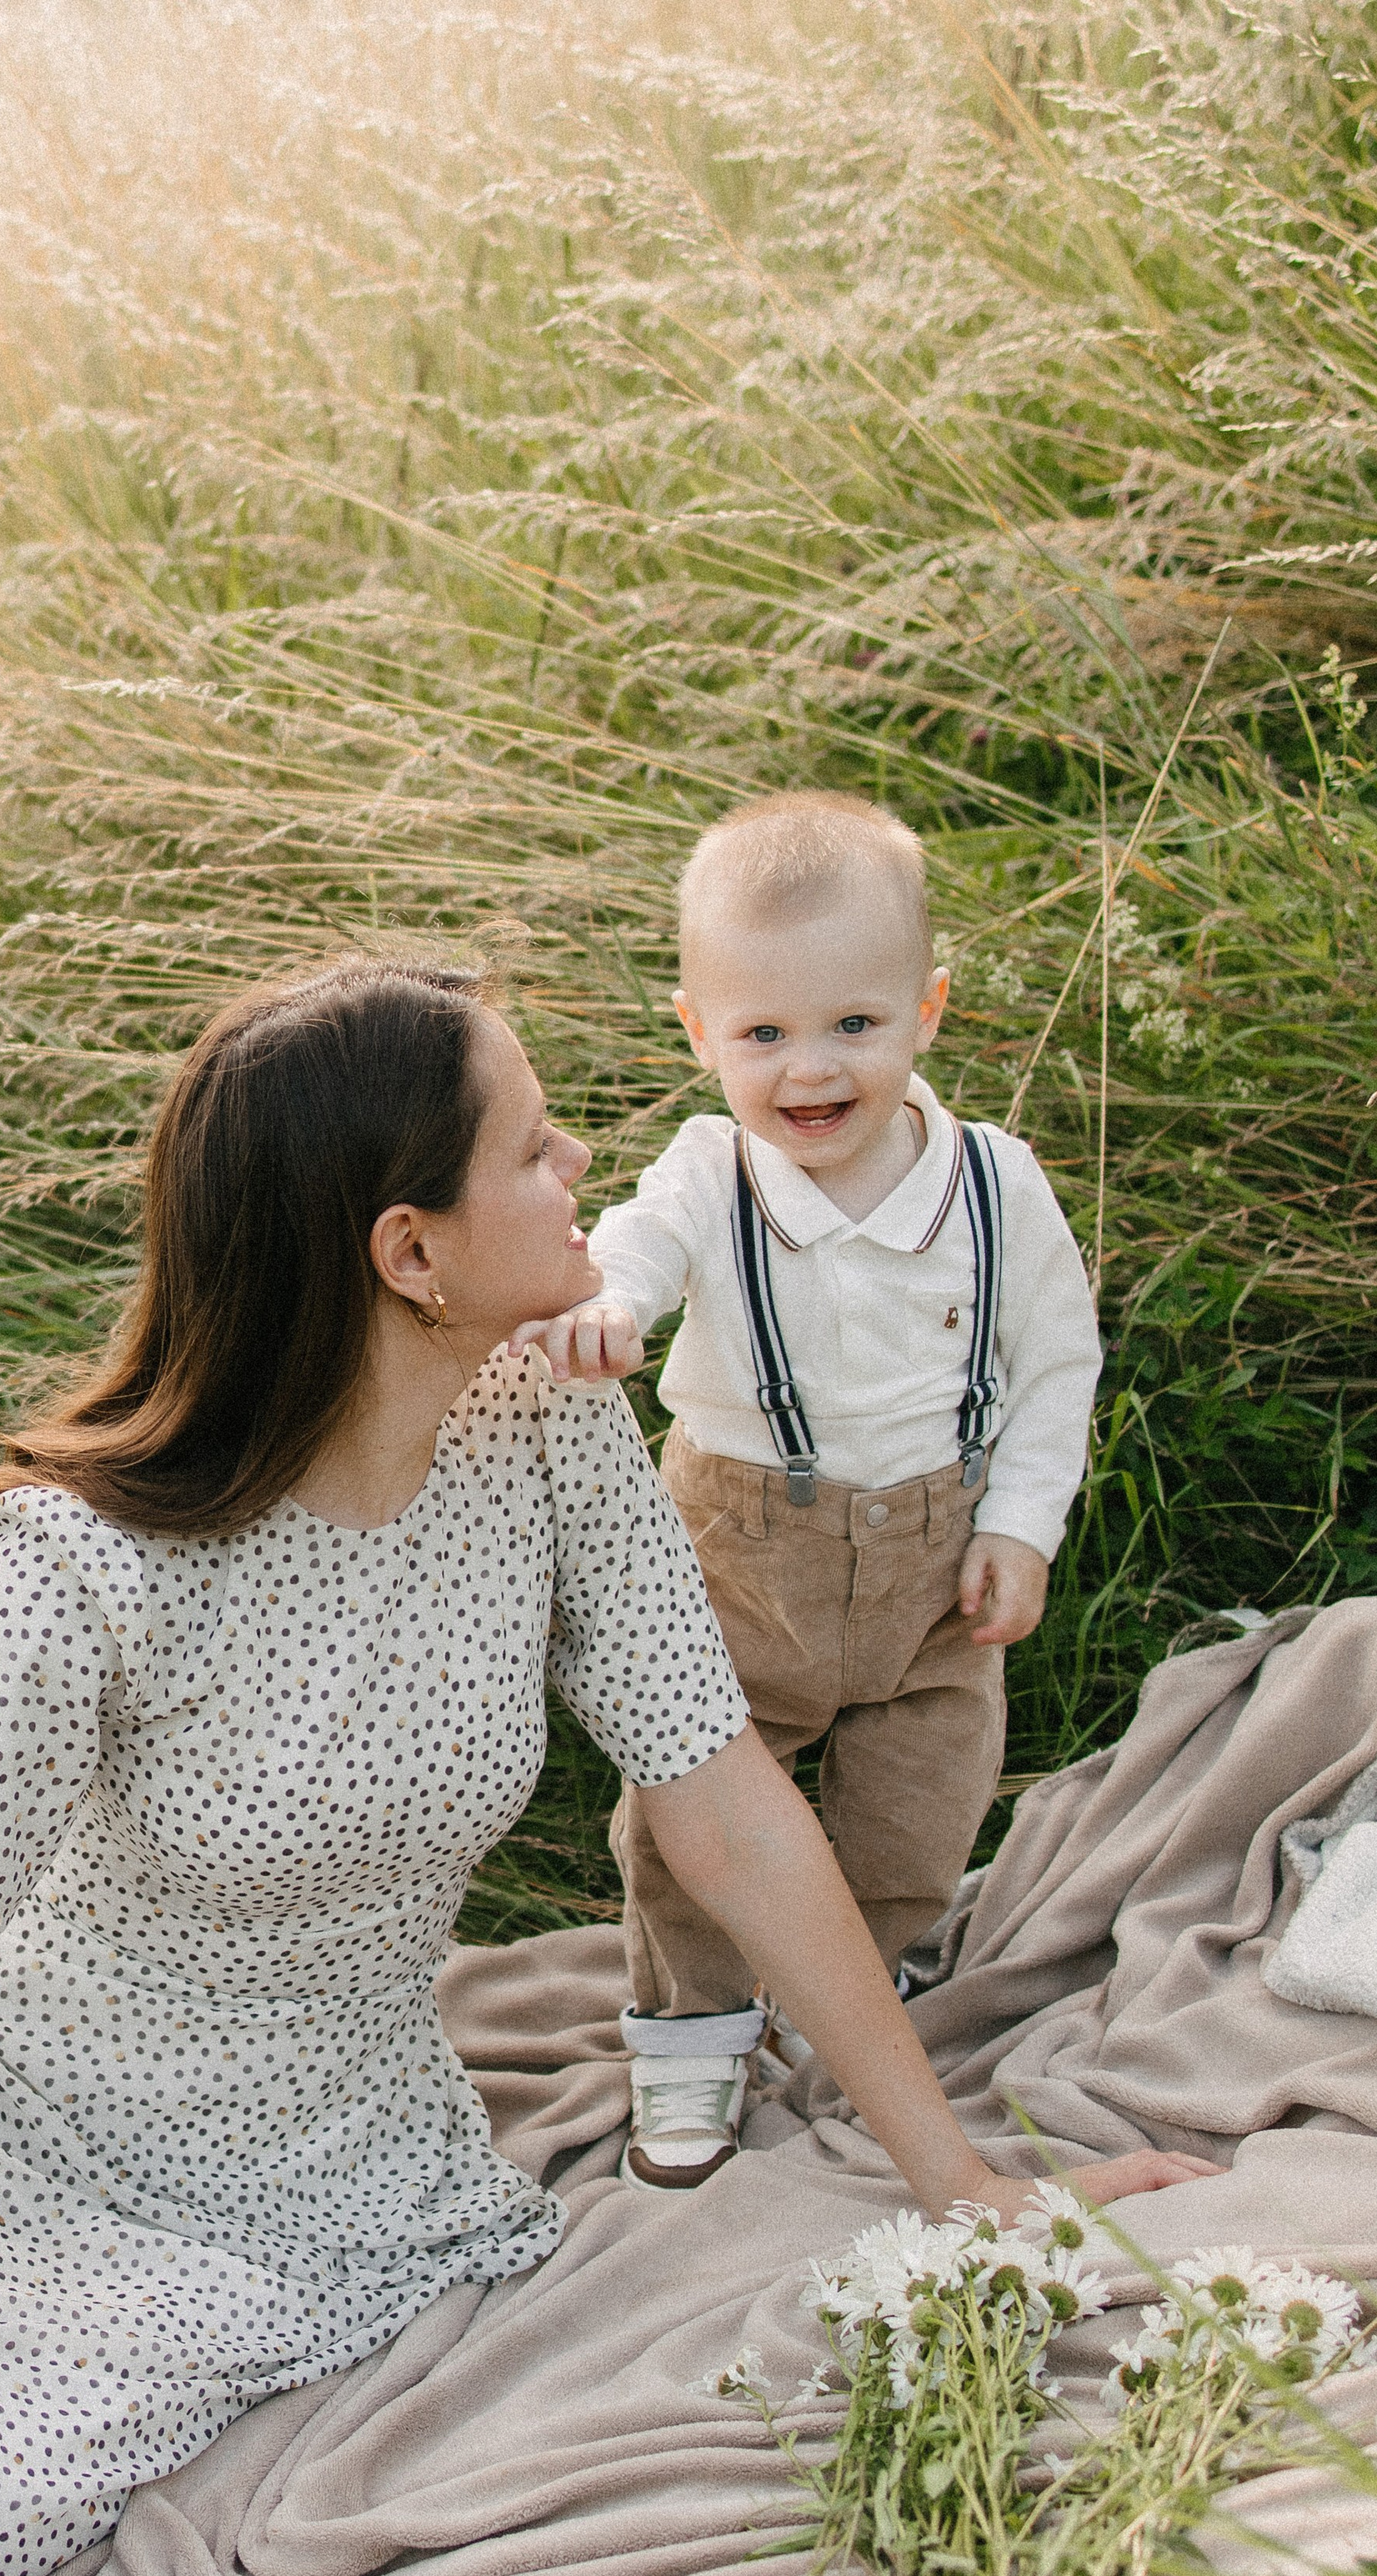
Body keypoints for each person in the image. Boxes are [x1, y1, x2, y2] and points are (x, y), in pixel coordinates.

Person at [0, 959, 1208, 2576]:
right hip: (4, 2131)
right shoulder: (90, 1567)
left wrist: (959, 2180)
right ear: (409, 1251)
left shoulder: (545, 1423)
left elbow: (723, 1801)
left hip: (332, 2192)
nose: (580, 1159)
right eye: (530, 1147)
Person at [518, 794, 1102, 2194]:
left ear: (927, 1009)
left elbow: (1057, 1361)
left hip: (935, 1571)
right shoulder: (704, 1178)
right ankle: (695, 2029)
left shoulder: (996, 1187)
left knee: (924, 1809)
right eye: (763, 1034)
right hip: (736, 1555)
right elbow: (637, 1255)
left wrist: (1022, 1524)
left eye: (854, 1025)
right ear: (698, 1033)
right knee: (689, 1807)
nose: (810, 1072)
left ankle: (866, 1986)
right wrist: (608, 1310)